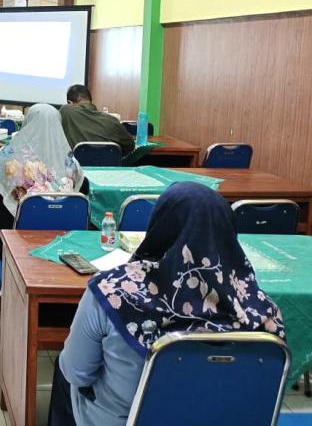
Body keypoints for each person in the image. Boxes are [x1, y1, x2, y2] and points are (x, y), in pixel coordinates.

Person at [50, 182, 286, 426]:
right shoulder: (261, 310)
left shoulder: (111, 291)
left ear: (159, 225)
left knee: (64, 370)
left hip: (122, 420)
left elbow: (76, 373)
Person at [0, 103, 84, 258]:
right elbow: (82, 189)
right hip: (62, 244)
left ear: (27, 123)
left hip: (13, 242)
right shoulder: (71, 162)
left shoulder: (9, 155)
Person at [60, 84, 135, 156]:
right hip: (106, 164)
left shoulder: (66, 111)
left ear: (70, 103)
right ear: (90, 100)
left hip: (76, 164)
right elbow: (130, 146)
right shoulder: (112, 121)